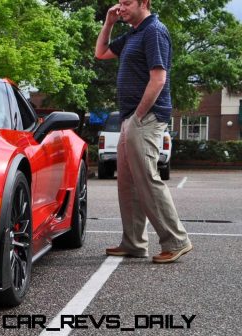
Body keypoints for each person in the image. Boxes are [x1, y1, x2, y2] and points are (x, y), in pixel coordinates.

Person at [94, 0, 192, 263]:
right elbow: (101, 53)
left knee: (147, 179)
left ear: (144, 2)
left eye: (127, 2)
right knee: (127, 182)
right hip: (131, 117)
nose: (121, 6)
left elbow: (158, 78)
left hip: (146, 117)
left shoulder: (154, 31)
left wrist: (138, 117)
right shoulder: (133, 33)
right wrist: (109, 23)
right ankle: (134, 242)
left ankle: (176, 240)